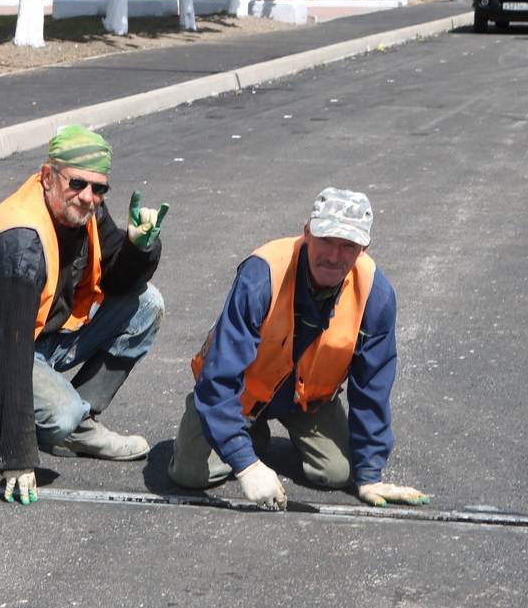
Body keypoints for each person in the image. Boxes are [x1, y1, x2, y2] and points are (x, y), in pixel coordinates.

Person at [0, 125, 168, 505]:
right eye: (78, 184)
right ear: (48, 176)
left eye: (99, 188)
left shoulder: (84, 211)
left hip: (35, 339)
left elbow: (116, 281)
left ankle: (76, 427)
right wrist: (15, 457)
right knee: (59, 413)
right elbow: (7, 352)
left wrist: (138, 249)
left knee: (146, 304)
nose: (88, 197)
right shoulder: (19, 247)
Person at [168, 187, 430, 511]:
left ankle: (252, 439)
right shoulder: (262, 274)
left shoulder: (375, 294)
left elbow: (373, 388)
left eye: (348, 245)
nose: (334, 256)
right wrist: (245, 464)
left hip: (306, 401)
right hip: (238, 396)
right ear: (307, 232)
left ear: (363, 247)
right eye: (326, 241)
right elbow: (219, 375)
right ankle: (243, 435)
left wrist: (370, 474)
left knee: (339, 473)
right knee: (191, 473)